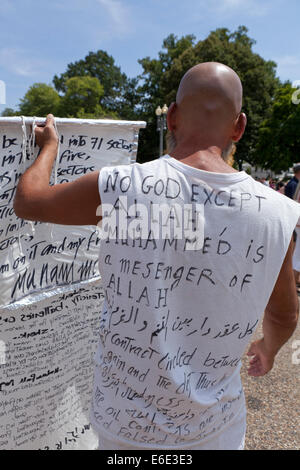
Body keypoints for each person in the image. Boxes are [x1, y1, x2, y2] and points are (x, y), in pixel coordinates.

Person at [13, 62, 300, 451]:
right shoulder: (278, 212)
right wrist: (268, 348)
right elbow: (285, 314)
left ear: (174, 117)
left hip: (124, 431)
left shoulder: (119, 187)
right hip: (216, 432)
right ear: (239, 127)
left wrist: (49, 148)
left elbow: (29, 202)